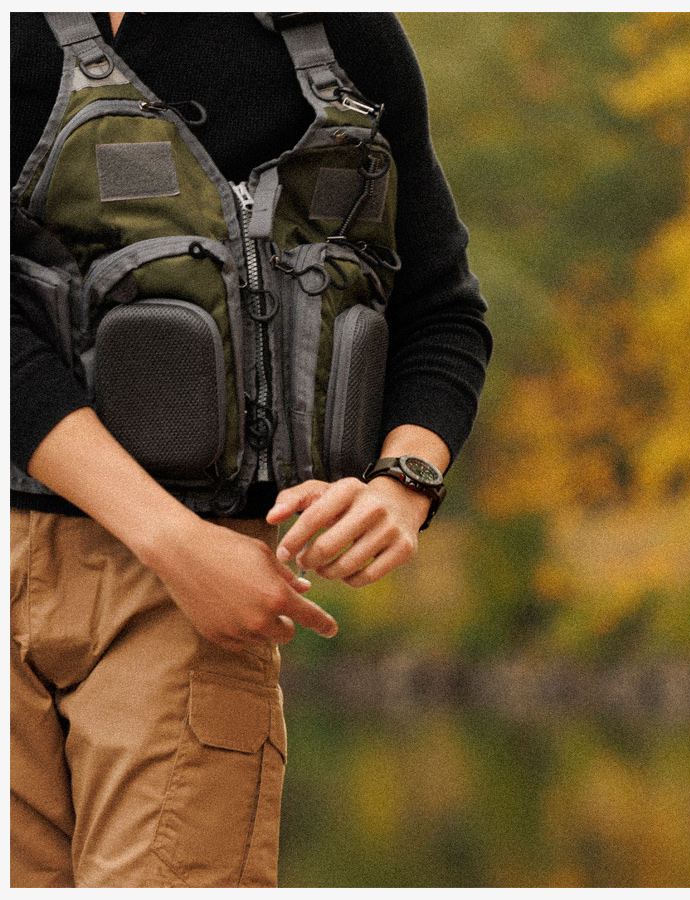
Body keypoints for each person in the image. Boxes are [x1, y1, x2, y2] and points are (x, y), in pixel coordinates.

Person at [10, 12, 492, 888]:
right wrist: (169, 540)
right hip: (151, 551)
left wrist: (403, 483)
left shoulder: (343, 37)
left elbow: (442, 308)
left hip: (193, 604)